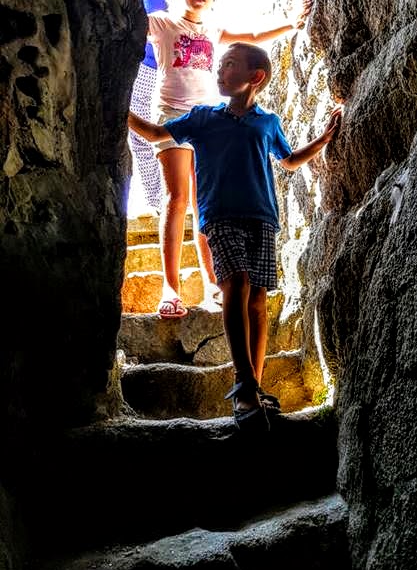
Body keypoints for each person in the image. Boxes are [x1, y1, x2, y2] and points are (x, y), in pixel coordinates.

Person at [128, 41, 342, 432]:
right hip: (220, 217)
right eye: (221, 64)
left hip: (262, 218)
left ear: (255, 76)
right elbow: (157, 132)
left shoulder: (268, 122)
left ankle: (254, 385)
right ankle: (243, 385)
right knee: (236, 284)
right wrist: (122, 113)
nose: (219, 69)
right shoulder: (203, 118)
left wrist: (323, 140)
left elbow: (289, 161)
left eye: (229, 64)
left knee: (257, 301)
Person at [147, 0, 310, 319]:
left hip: (209, 123)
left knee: (204, 203)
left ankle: (212, 281)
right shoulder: (162, 24)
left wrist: (291, 23)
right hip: (172, 115)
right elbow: (127, 22)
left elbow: (253, 36)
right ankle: (171, 287)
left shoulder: (214, 30)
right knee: (177, 197)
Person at [127, 0, 168, 214]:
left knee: (175, 132)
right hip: (146, 64)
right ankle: (160, 201)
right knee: (143, 137)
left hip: (164, 65)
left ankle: (167, 199)